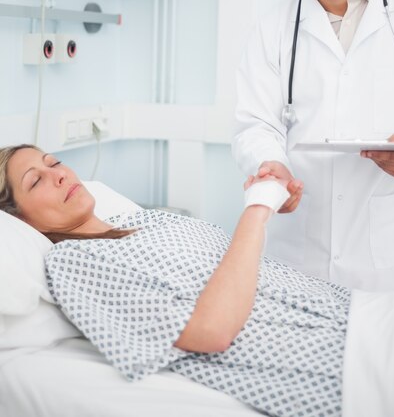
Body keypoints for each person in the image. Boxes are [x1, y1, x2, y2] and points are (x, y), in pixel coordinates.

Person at [1, 143, 351, 417]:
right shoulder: (73, 261)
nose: (58, 175)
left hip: (348, 312)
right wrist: (257, 210)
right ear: (21, 220)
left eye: (53, 163)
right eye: (36, 181)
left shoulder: (146, 220)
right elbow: (210, 331)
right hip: (335, 366)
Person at [232, 0, 394, 309]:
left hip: (392, 258)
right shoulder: (274, 28)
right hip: (298, 254)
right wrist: (270, 163)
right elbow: (255, 124)